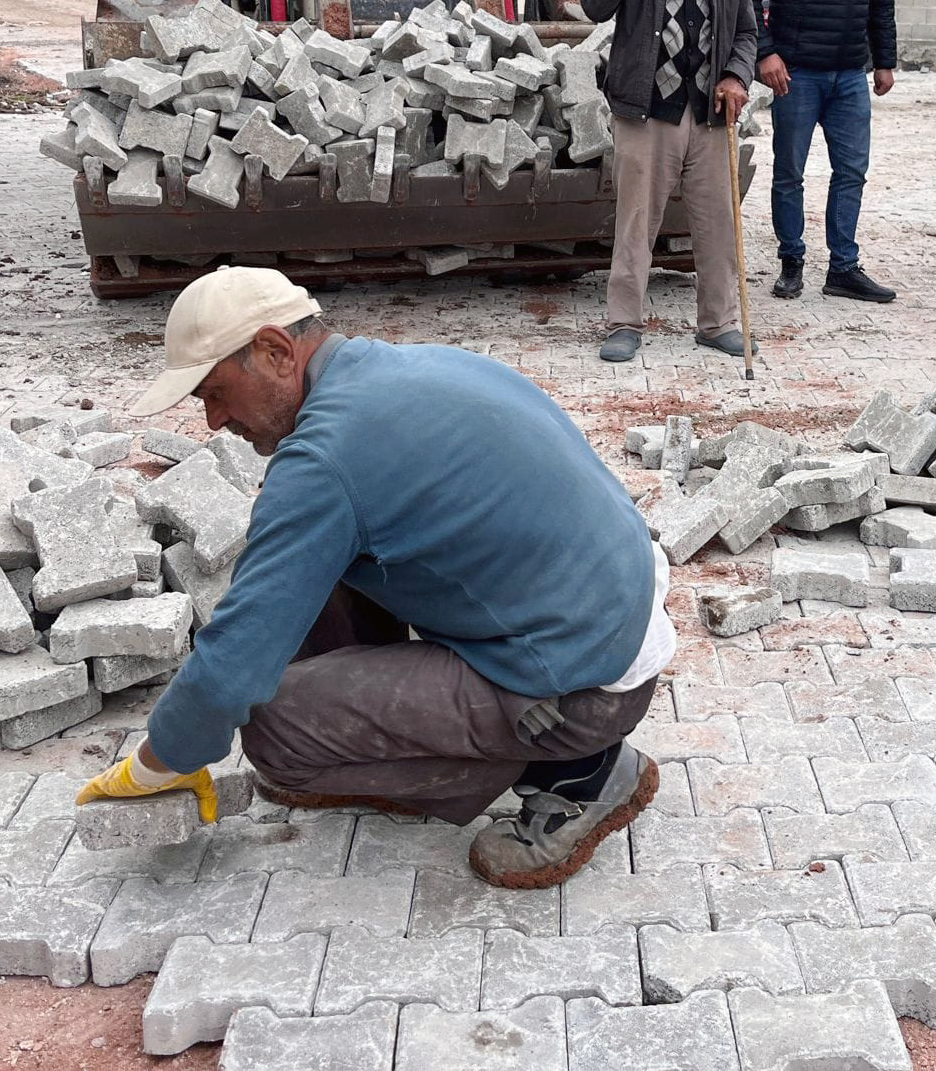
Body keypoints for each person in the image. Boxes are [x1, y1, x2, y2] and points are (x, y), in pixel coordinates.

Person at [75, 267, 671, 889]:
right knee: (319, 559)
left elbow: (230, 670)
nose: (214, 422)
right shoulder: (411, 368)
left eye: (215, 393)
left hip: (576, 688)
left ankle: (578, 776)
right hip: (602, 617)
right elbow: (267, 599)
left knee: (275, 732)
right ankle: (432, 726)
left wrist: (155, 764)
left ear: (276, 351)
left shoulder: (326, 458)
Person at [580, 0, 756, 363]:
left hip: (708, 109)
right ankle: (623, 323)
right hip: (645, 108)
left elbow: (746, 31)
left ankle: (717, 321)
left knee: (718, 220)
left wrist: (735, 74)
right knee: (636, 219)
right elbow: (594, 5)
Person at [746, 0, 899, 304]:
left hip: (851, 73)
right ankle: (792, 262)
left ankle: (843, 267)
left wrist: (885, 60)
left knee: (852, 170)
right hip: (797, 73)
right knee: (789, 173)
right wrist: (764, 53)